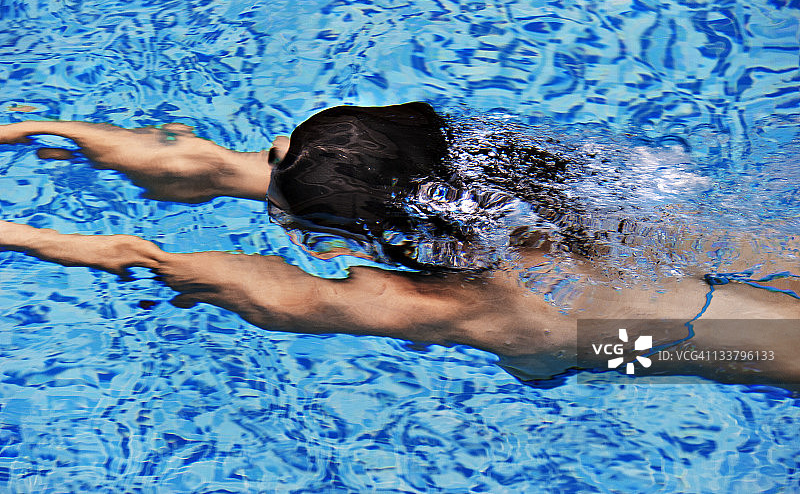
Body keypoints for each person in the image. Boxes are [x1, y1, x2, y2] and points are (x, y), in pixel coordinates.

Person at [0, 103, 798, 387]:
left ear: (342, 241)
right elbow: (236, 169)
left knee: (662, 343)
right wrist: (59, 129)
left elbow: (227, 281)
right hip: (721, 263)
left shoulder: (448, 306)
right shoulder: (498, 183)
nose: (272, 149)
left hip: (694, 343)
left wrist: (32, 237)